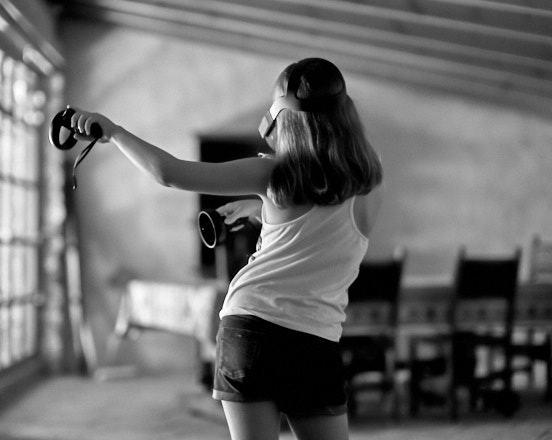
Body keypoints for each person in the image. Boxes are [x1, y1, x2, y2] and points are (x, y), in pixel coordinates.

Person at [69, 57, 383, 440]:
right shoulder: (368, 179)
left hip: (251, 330)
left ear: (281, 118)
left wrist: (114, 131)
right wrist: (264, 211)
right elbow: (325, 225)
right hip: (315, 340)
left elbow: (169, 172)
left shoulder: (272, 174)